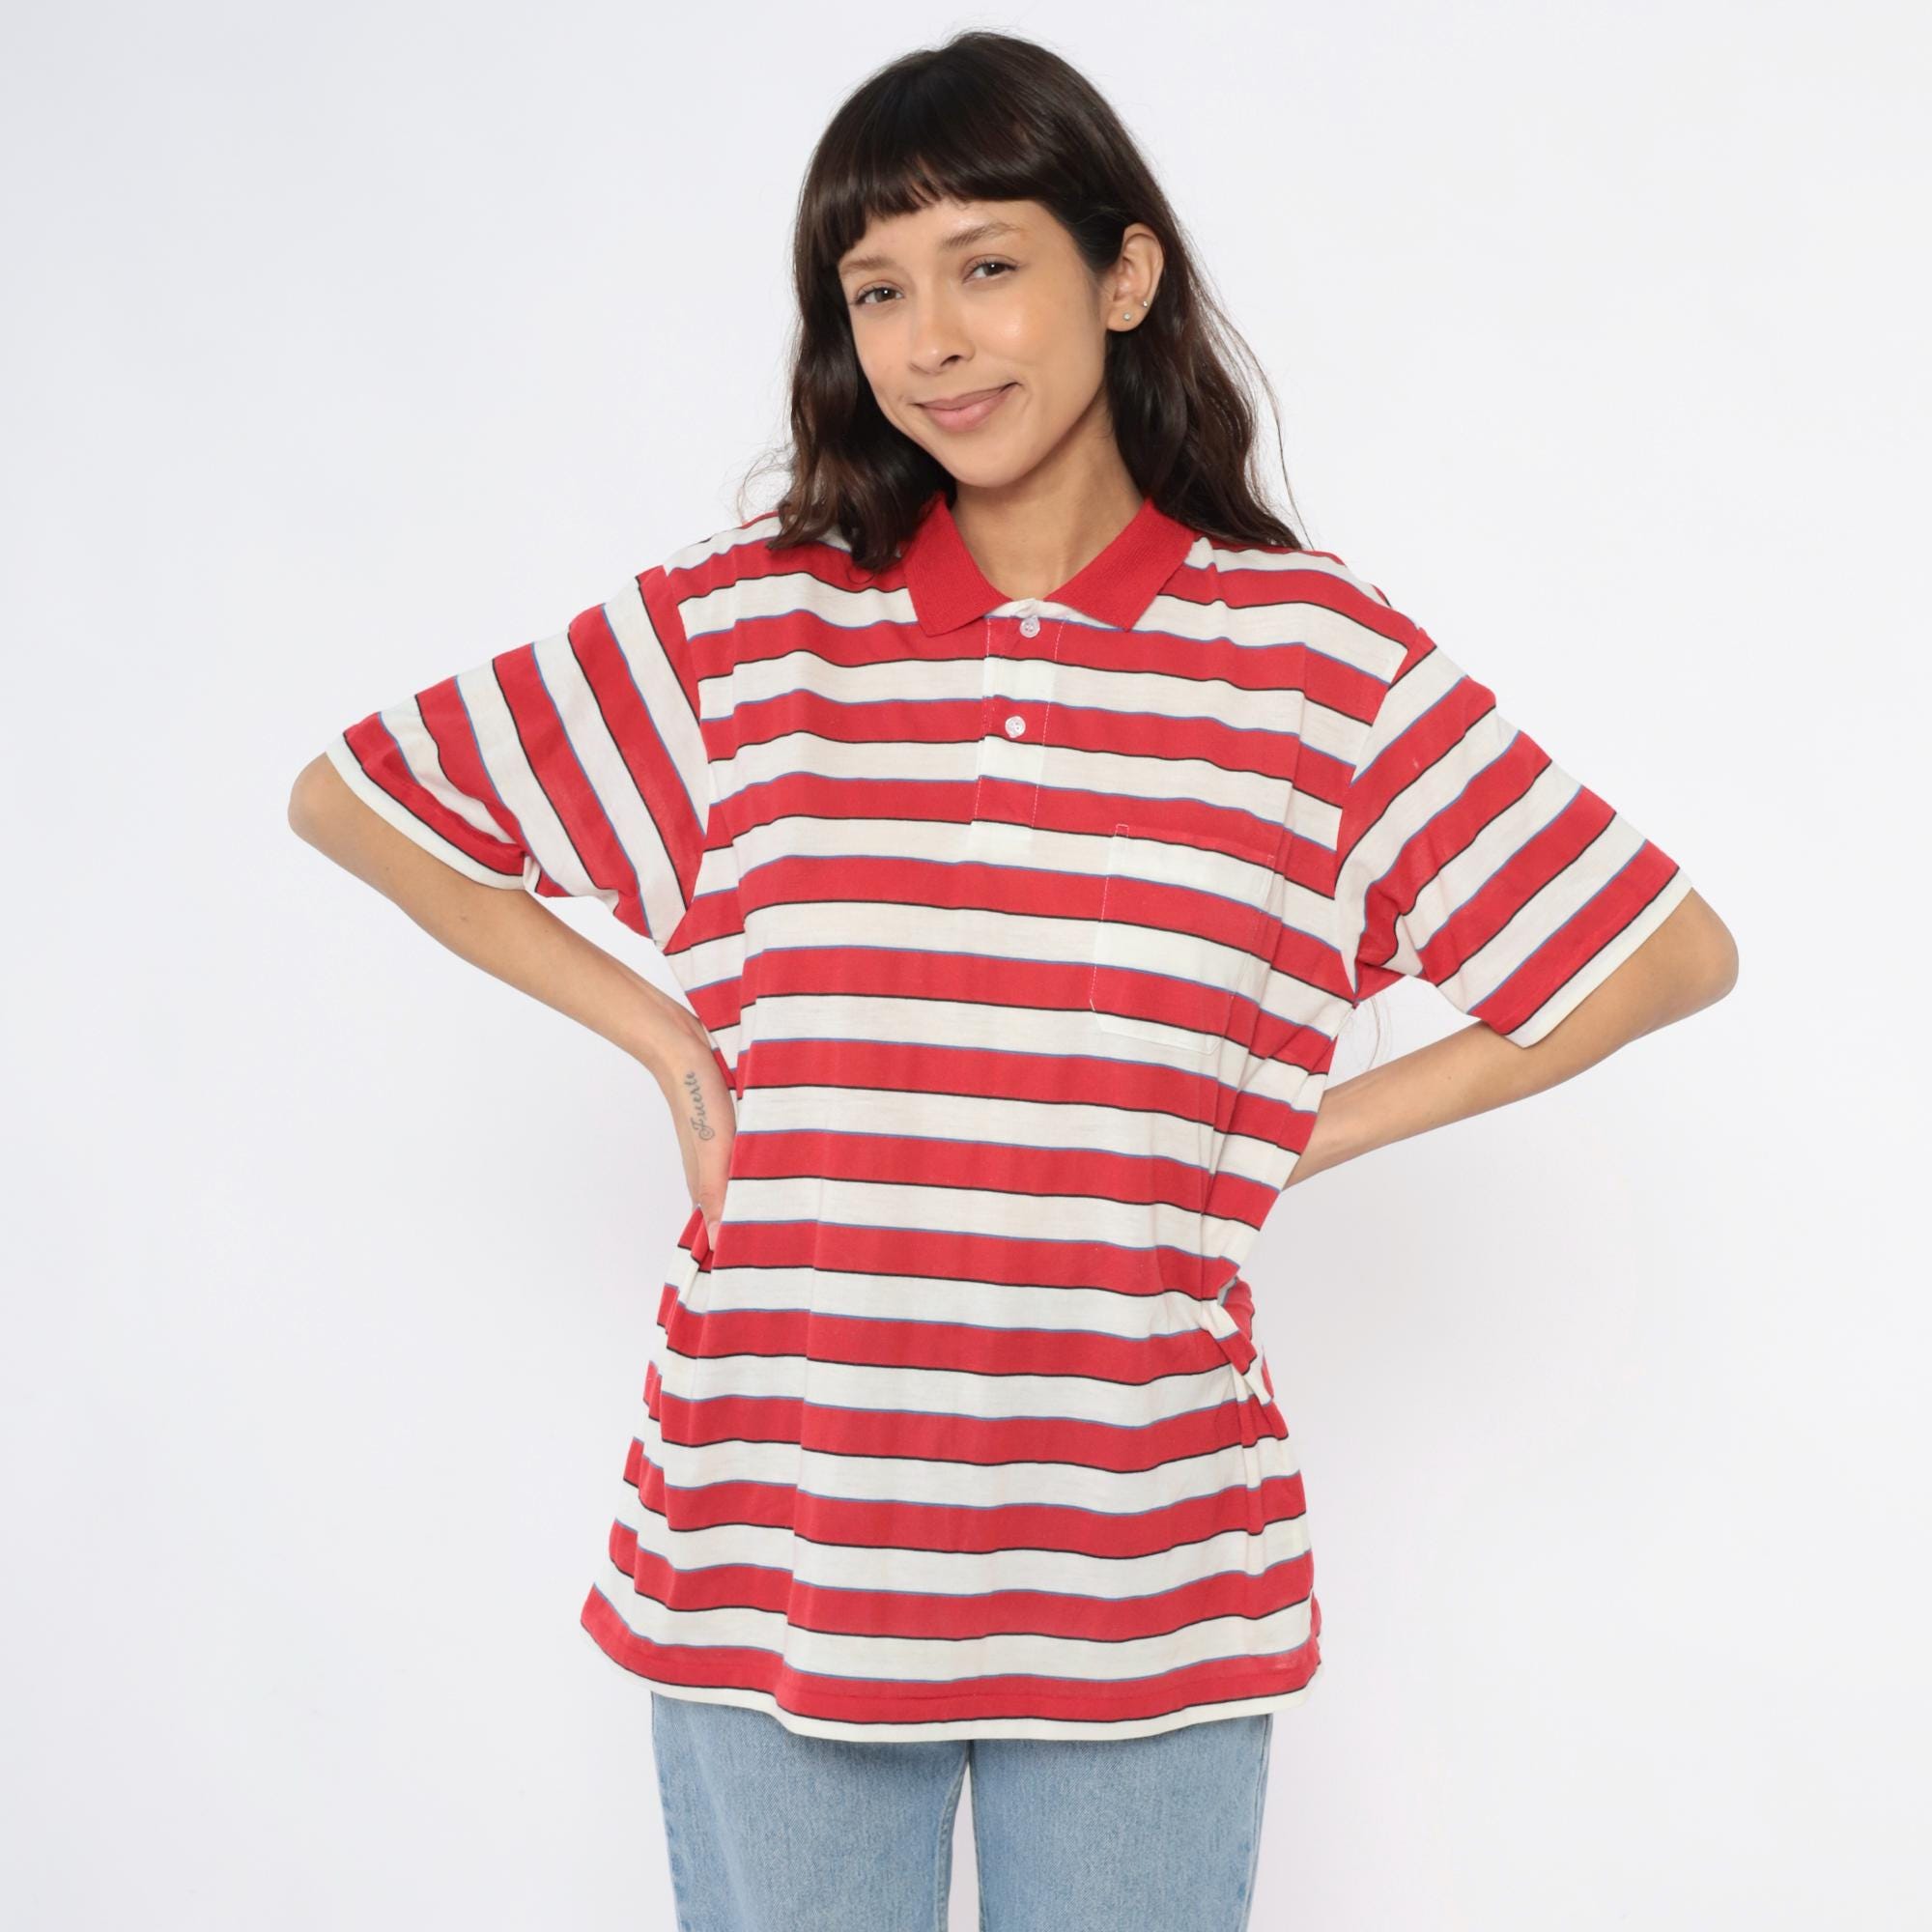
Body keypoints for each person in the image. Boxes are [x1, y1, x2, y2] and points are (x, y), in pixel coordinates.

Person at [287, 28, 1738, 1932]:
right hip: (777, 1535)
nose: (932, 339)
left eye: (986, 265)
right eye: (877, 290)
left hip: (1141, 1557)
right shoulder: (751, 630)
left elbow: (1654, 951)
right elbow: (365, 798)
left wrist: (1286, 1128)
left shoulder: (1310, 661)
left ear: (1122, 277)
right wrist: (665, 1039)